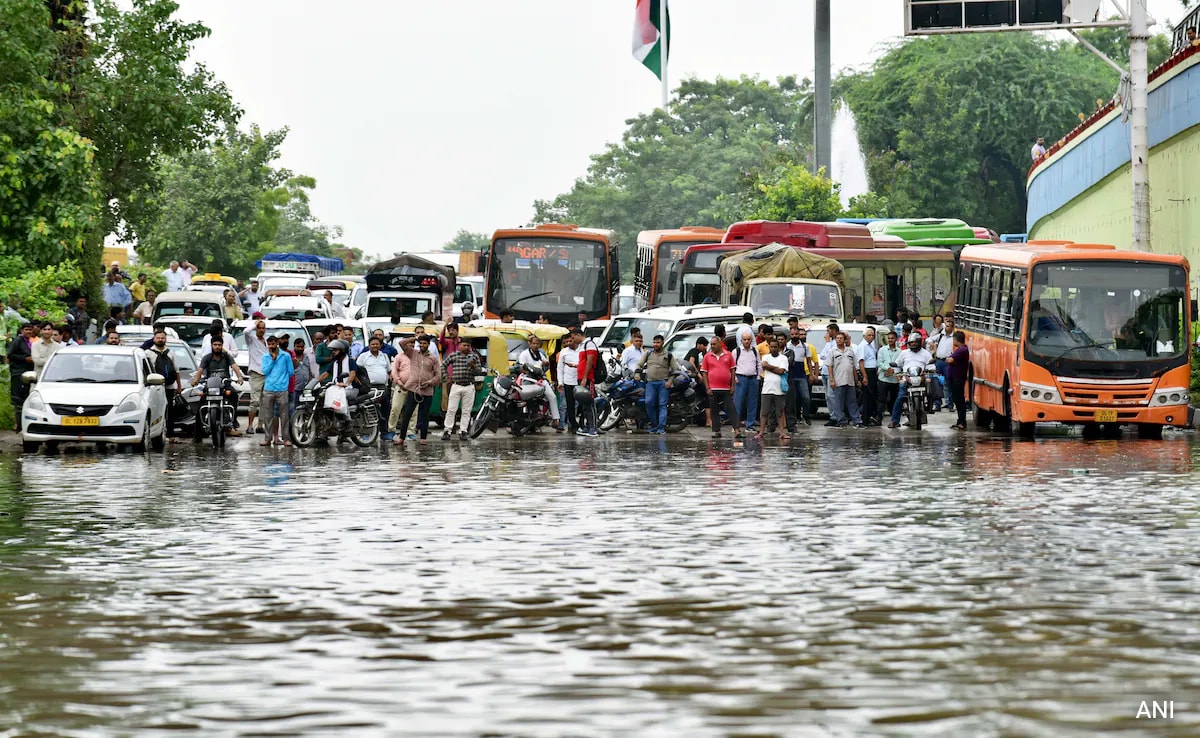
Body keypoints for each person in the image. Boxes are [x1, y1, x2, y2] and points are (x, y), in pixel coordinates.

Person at [192, 336, 245, 438]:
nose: (217, 347)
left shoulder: (227, 356)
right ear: (211, 345)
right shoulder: (207, 358)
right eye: (215, 345)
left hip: (225, 386)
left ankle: (232, 421)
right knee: (200, 406)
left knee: (234, 395)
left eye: (219, 345)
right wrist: (196, 380)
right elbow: (200, 370)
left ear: (222, 346)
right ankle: (198, 435)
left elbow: (235, 366)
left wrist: (239, 377)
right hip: (210, 386)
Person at [395, 334, 440, 446]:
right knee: (407, 414)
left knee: (425, 415)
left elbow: (438, 375)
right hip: (414, 389)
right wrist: (414, 338)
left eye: (424, 343)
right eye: (420, 343)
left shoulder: (433, 359)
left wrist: (430, 382)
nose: (422, 345)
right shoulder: (413, 353)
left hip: (427, 390)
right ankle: (401, 437)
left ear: (428, 345)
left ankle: (423, 438)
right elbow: (401, 343)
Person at [700, 333, 742, 439]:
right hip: (713, 388)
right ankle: (717, 431)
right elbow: (704, 373)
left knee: (731, 408)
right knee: (714, 410)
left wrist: (732, 386)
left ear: (720, 344)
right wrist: (707, 387)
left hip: (726, 388)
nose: (712, 346)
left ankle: (737, 429)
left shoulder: (728, 355)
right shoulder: (707, 356)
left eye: (714, 344)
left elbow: (732, 371)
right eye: (711, 344)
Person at [888, 332, 933, 429]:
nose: (913, 344)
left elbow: (931, 366)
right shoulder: (904, 353)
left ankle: (929, 407)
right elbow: (897, 365)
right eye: (911, 343)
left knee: (931, 392)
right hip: (907, 378)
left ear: (920, 342)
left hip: (921, 378)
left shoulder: (926, 354)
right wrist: (899, 377)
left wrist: (928, 374)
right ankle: (894, 421)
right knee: (900, 397)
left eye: (915, 342)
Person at [635, 334, 678, 435]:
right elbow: (639, 364)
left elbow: (675, 370)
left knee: (662, 405)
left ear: (662, 343)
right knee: (648, 403)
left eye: (658, 342)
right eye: (654, 342)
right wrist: (637, 373)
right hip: (650, 383)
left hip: (663, 383)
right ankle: (654, 425)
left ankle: (661, 428)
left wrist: (670, 381)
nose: (655, 344)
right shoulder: (648, 353)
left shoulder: (668, 355)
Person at [517, 334, 561, 431]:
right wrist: (530, 371)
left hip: (540, 379)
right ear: (529, 343)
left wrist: (545, 364)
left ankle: (556, 420)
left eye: (538, 344)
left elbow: (545, 364)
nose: (536, 345)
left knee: (552, 396)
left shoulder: (540, 354)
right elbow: (522, 368)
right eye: (534, 343)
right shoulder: (524, 354)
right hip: (528, 379)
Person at [146, 328, 182, 443]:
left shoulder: (170, 352)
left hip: (170, 386)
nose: (160, 340)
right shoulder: (148, 353)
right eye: (158, 338)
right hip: (155, 387)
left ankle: (170, 435)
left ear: (165, 339)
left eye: (163, 338)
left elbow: (176, 371)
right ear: (154, 339)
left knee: (170, 411)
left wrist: (179, 386)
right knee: (156, 410)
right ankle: (155, 434)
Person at [441, 338, 481, 440]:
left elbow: (479, 372)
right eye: (464, 345)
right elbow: (443, 366)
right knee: (451, 409)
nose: (466, 347)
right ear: (460, 345)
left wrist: (473, 367)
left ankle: (463, 431)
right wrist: (447, 378)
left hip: (469, 386)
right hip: (456, 385)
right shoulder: (454, 355)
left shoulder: (474, 357)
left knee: (466, 411)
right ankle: (447, 431)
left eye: (468, 345)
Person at [260, 334, 294, 446]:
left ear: (277, 344)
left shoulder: (286, 356)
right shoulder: (265, 357)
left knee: (284, 415)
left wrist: (283, 382)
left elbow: (291, 372)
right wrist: (272, 360)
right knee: (268, 415)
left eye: (273, 344)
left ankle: (286, 439)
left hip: (282, 389)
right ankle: (267, 438)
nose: (271, 346)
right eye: (269, 344)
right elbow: (265, 371)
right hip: (268, 388)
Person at [357, 336, 392, 439]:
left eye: (377, 344)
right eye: (373, 344)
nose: (375, 346)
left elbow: (389, 371)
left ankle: (384, 433)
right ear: (369, 345)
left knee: (385, 410)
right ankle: (366, 433)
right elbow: (357, 371)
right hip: (369, 388)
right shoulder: (363, 356)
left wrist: (390, 379)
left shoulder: (384, 356)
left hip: (383, 388)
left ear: (380, 345)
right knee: (368, 409)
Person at [827, 332, 863, 428]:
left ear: (845, 340)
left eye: (841, 338)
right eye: (837, 338)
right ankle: (841, 421)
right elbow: (830, 367)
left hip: (850, 381)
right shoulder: (832, 351)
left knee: (852, 402)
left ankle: (857, 421)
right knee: (838, 403)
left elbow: (854, 367)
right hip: (838, 381)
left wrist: (857, 380)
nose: (839, 340)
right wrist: (831, 380)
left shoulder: (850, 351)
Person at [785, 326, 818, 429]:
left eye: (796, 334)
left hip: (802, 375)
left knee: (806, 397)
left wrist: (812, 375)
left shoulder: (804, 346)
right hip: (791, 375)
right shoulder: (787, 346)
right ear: (790, 335)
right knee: (793, 399)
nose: (794, 336)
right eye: (792, 334)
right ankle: (794, 418)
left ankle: (806, 415)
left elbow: (809, 361)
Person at [757, 338, 790, 440]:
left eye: (775, 347)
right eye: (771, 347)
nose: (773, 349)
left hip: (779, 390)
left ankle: (781, 432)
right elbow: (765, 365)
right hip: (766, 389)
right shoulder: (765, 357)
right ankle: (761, 432)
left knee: (780, 412)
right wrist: (775, 368)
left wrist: (769, 367)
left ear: (778, 347)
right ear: (769, 347)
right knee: (764, 412)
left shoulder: (783, 358)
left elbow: (781, 371)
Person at [243, 320, 269, 435]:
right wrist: (255, 323)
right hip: (256, 373)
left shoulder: (267, 342)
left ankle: (260, 425)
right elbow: (246, 331)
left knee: (265, 402)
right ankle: (249, 426)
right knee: (254, 401)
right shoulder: (252, 340)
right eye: (259, 328)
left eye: (263, 328)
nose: (261, 330)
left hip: (266, 374)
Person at [733, 332, 761, 431]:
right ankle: (736, 425)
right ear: (741, 340)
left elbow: (759, 364)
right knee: (738, 402)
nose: (746, 341)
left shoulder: (755, 351)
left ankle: (750, 424)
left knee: (752, 402)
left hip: (753, 378)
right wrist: (734, 377)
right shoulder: (736, 351)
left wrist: (758, 377)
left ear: (751, 340)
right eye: (744, 339)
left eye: (748, 339)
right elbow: (732, 366)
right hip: (740, 378)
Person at [558, 332, 584, 435]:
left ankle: (578, 424)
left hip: (579, 381)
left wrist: (576, 366)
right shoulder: (564, 352)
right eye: (567, 341)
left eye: (571, 340)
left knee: (579, 404)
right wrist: (560, 382)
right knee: (569, 405)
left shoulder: (582, 350)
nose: (569, 343)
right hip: (568, 381)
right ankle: (571, 425)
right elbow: (560, 368)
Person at [576, 327, 601, 436]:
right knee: (584, 404)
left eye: (573, 338)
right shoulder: (582, 346)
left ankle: (593, 427)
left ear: (578, 335)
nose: (573, 340)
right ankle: (588, 426)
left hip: (588, 378)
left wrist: (585, 377)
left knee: (590, 403)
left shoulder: (589, 344)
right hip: (581, 377)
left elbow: (590, 361)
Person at [877, 328, 902, 428]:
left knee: (894, 401)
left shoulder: (900, 352)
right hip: (883, 378)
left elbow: (900, 364)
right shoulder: (882, 350)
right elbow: (879, 362)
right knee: (881, 400)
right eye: (889, 338)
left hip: (894, 380)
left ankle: (894, 420)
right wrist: (888, 368)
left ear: (896, 339)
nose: (890, 340)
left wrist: (893, 371)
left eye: (892, 338)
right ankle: (878, 419)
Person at [945, 330, 970, 430]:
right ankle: (959, 421)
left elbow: (950, 360)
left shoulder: (962, 350)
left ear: (956, 340)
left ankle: (962, 422)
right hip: (954, 378)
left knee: (960, 402)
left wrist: (949, 359)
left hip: (957, 379)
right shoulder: (959, 350)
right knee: (957, 401)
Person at [855, 327, 879, 425]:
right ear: (864, 336)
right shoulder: (862, 346)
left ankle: (869, 417)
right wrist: (864, 376)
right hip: (867, 371)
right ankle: (864, 419)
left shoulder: (871, 345)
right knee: (867, 397)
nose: (871, 337)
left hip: (873, 371)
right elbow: (861, 362)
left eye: (872, 335)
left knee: (872, 396)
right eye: (869, 335)